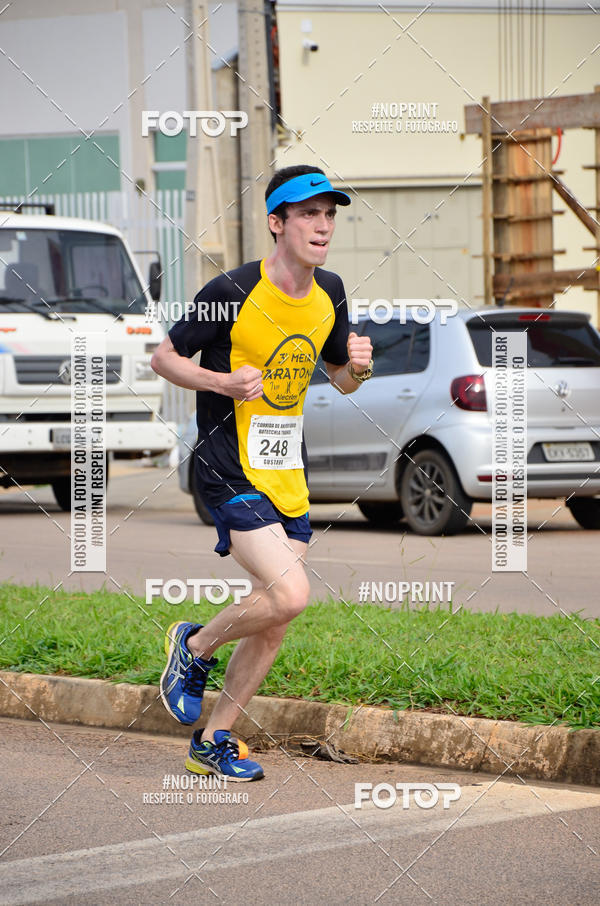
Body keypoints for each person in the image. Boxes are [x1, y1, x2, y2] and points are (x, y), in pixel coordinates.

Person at [150, 165, 373, 781]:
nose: (322, 225)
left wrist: (359, 366)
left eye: (329, 214)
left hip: (286, 471)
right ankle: (194, 646)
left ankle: (212, 740)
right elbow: (164, 358)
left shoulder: (331, 291)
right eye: (308, 214)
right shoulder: (231, 289)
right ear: (277, 222)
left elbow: (341, 380)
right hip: (228, 466)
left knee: (275, 617)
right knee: (291, 594)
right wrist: (221, 381)